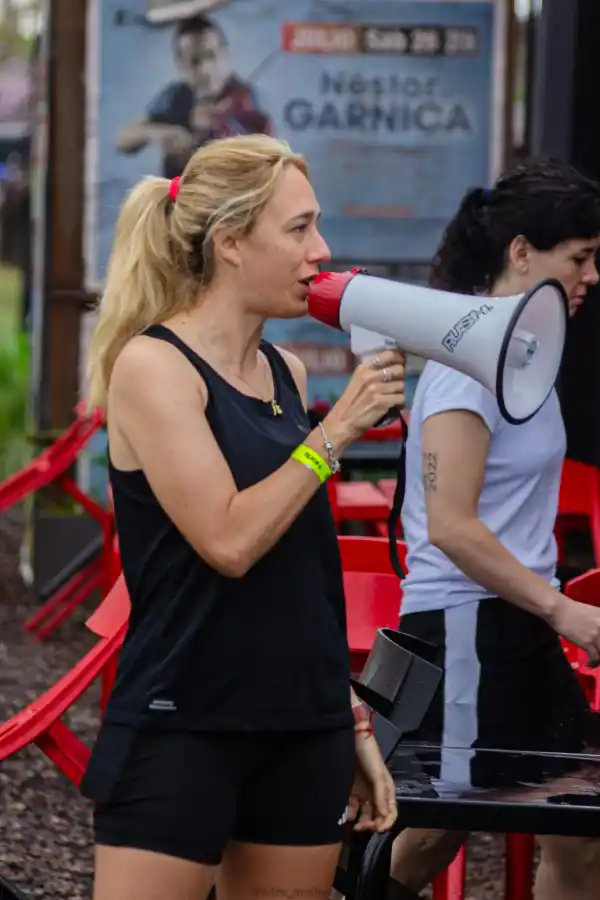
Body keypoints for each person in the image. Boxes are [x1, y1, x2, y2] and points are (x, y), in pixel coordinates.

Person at [81, 132, 403, 900]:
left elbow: (302, 579)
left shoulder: (285, 373)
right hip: (182, 719)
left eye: (317, 224)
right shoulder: (154, 367)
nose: (320, 251)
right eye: (298, 229)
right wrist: (332, 436)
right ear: (229, 242)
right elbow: (227, 540)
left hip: (300, 725)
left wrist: (346, 711)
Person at [388, 157, 600, 900]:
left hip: (517, 625)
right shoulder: (466, 364)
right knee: (429, 830)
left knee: (581, 826)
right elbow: (450, 527)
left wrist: (546, 610)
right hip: (464, 627)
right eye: (580, 257)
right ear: (520, 253)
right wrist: (563, 608)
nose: (593, 275)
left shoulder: (527, 356)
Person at [115, 14, 273, 179]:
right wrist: (161, 133)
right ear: (180, 64)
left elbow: (263, 158)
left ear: (226, 54)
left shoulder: (248, 98)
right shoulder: (175, 96)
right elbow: (122, 139)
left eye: (211, 55)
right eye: (194, 61)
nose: (205, 69)